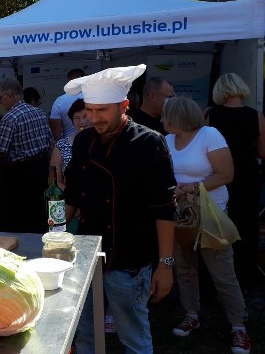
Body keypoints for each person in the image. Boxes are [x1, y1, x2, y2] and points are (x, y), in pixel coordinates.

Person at [63, 64, 176, 354]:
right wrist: (56, 233)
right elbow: (73, 194)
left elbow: (165, 209)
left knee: (134, 337)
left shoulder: (149, 142)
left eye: (103, 111)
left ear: (124, 106)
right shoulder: (83, 141)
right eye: (90, 110)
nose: (94, 118)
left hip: (131, 260)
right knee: (84, 331)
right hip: (86, 253)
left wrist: (165, 265)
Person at [163, 96, 251, 354]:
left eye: (165, 114)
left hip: (211, 216)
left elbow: (226, 175)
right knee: (184, 269)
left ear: (176, 116)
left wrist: (191, 188)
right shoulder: (167, 140)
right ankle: (191, 313)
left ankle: (239, 327)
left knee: (223, 273)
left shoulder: (209, 135)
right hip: (181, 216)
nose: (161, 119)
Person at [206, 73, 265, 290]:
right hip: (248, 175)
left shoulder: (211, 115)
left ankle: (216, 279)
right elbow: (262, 150)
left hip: (219, 175)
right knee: (247, 225)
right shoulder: (256, 116)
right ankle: (246, 277)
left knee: (217, 223)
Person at [0, 78, 53, 233]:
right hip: (41, 167)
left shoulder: (9, 118)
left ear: (9, 95)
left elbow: (0, 152)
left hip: (20, 173)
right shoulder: (39, 112)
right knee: (39, 212)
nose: (0, 102)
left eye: (0, 98)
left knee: (19, 216)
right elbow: (51, 142)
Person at [49, 98, 90, 191]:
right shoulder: (62, 145)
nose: (82, 122)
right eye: (76, 118)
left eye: (85, 116)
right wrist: (72, 196)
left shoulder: (103, 142)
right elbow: (55, 181)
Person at [49, 68, 85, 141]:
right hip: (92, 141)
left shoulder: (60, 101)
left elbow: (56, 134)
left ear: (68, 80)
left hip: (69, 143)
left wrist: (62, 147)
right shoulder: (93, 97)